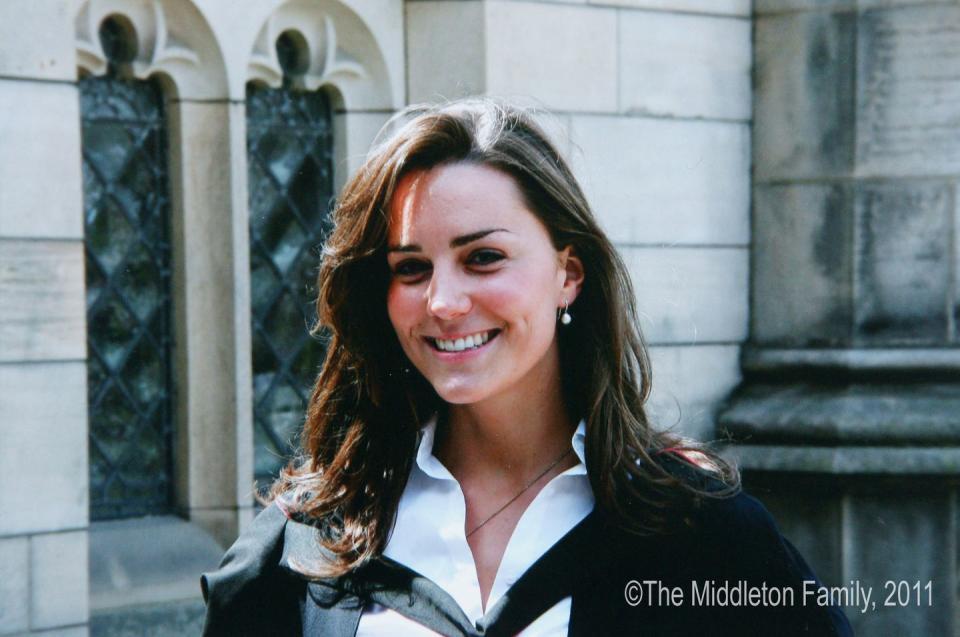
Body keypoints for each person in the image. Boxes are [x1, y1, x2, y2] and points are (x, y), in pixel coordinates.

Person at [201, 99, 852, 636]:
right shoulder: (311, 541)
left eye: (483, 257)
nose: (444, 302)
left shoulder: (701, 537)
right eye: (411, 267)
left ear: (569, 273)